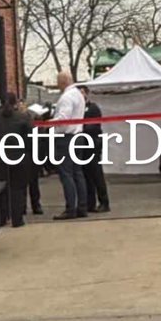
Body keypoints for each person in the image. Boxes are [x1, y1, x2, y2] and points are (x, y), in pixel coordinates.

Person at [50, 70, 89, 220]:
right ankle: (82, 206)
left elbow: (63, 118)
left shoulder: (66, 97)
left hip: (66, 138)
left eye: (58, 81)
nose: (57, 84)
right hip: (78, 136)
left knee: (66, 174)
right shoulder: (79, 95)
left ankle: (70, 208)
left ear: (63, 81)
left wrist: (47, 124)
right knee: (78, 173)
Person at [0, 92, 31, 228]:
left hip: (1, 156)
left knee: (2, 187)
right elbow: (30, 137)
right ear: (16, 103)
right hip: (19, 155)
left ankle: (2, 218)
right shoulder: (23, 117)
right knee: (18, 188)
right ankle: (17, 219)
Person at [80, 85, 110, 213]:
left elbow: (95, 125)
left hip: (93, 144)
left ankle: (104, 202)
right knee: (86, 175)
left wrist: (82, 128)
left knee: (97, 174)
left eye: (82, 93)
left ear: (87, 94)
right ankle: (90, 203)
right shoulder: (78, 109)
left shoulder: (93, 108)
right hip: (82, 145)